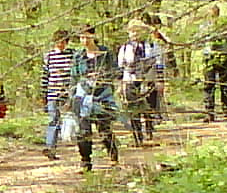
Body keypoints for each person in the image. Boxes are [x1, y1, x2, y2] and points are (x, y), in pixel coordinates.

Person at [70, 25, 120, 170]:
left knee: (104, 128)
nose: (84, 40)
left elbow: (115, 71)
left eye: (87, 36)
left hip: (103, 94)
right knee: (83, 130)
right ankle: (85, 161)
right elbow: (74, 76)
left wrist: (103, 78)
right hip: (84, 95)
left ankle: (113, 155)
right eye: (81, 37)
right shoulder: (78, 56)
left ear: (93, 36)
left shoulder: (105, 53)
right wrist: (72, 96)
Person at [117, 18, 163, 146]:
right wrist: (120, 85)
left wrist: (159, 81)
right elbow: (120, 68)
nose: (135, 34)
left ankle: (149, 132)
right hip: (130, 81)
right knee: (133, 109)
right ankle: (137, 136)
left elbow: (159, 64)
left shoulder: (153, 46)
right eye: (132, 32)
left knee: (148, 108)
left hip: (148, 81)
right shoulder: (124, 48)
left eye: (137, 31)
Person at [198, 4, 227, 120]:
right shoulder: (204, 26)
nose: (212, 14)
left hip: (223, 57)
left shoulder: (226, 26)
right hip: (209, 57)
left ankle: (226, 110)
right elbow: (199, 42)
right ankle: (209, 112)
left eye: (213, 12)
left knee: (225, 84)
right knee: (208, 84)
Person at [40, 29, 74, 160]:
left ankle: (79, 147)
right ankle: (50, 148)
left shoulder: (72, 55)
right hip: (52, 92)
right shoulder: (49, 56)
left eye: (63, 42)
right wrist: (43, 94)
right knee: (53, 120)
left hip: (68, 93)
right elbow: (45, 76)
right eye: (58, 42)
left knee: (73, 119)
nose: (60, 44)